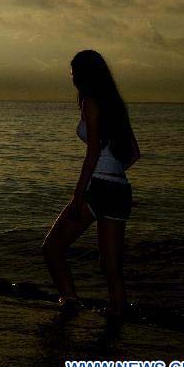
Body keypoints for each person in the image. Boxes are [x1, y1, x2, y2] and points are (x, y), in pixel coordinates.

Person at [41, 50, 140, 315]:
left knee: (52, 249)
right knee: (112, 269)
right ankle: (118, 318)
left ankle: (70, 301)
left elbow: (93, 151)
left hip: (98, 187)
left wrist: (79, 192)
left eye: (73, 70)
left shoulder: (90, 102)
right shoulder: (114, 104)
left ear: (83, 73)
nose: (71, 75)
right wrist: (114, 171)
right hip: (120, 189)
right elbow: (133, 153)